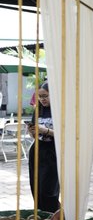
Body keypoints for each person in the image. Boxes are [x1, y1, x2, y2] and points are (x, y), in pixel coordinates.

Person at [27, 82, 59, 213]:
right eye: (39, 97)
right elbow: (35, 135)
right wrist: (33, 131)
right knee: (36, 187)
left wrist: (45, 130)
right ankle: (41, 215)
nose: (42, 99)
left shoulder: (59, 110)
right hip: (37, 151)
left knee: (49, 189)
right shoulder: (38, 109)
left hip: (53, 152)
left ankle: (52, 216)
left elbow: (64, 134)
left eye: (45, 96)